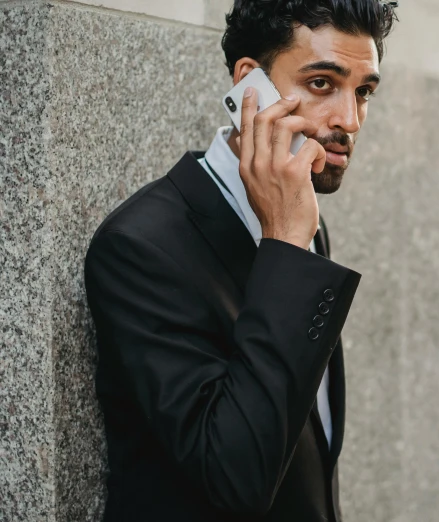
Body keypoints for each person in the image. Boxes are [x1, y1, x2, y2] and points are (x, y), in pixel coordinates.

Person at [83, 1, 397, 521]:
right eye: (322, 83)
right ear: (250, 85)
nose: (350, 119)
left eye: (364, 91)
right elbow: (237, 477)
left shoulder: (305, 221)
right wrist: (286, 249)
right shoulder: (140, 248)